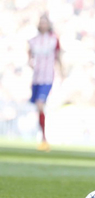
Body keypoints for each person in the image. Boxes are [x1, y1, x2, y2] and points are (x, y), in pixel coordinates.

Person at [28, 14, 62, 152]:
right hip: (36, 78)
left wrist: (61, 74)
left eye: (45, 22)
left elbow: (59, 58)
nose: (43, 25)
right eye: (41, 22)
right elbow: (29, 56)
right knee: (38, 107)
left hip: (47, 78)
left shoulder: (54, 40)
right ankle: (42, 134)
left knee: (40, 104)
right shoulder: (33, 41)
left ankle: (44, 138)